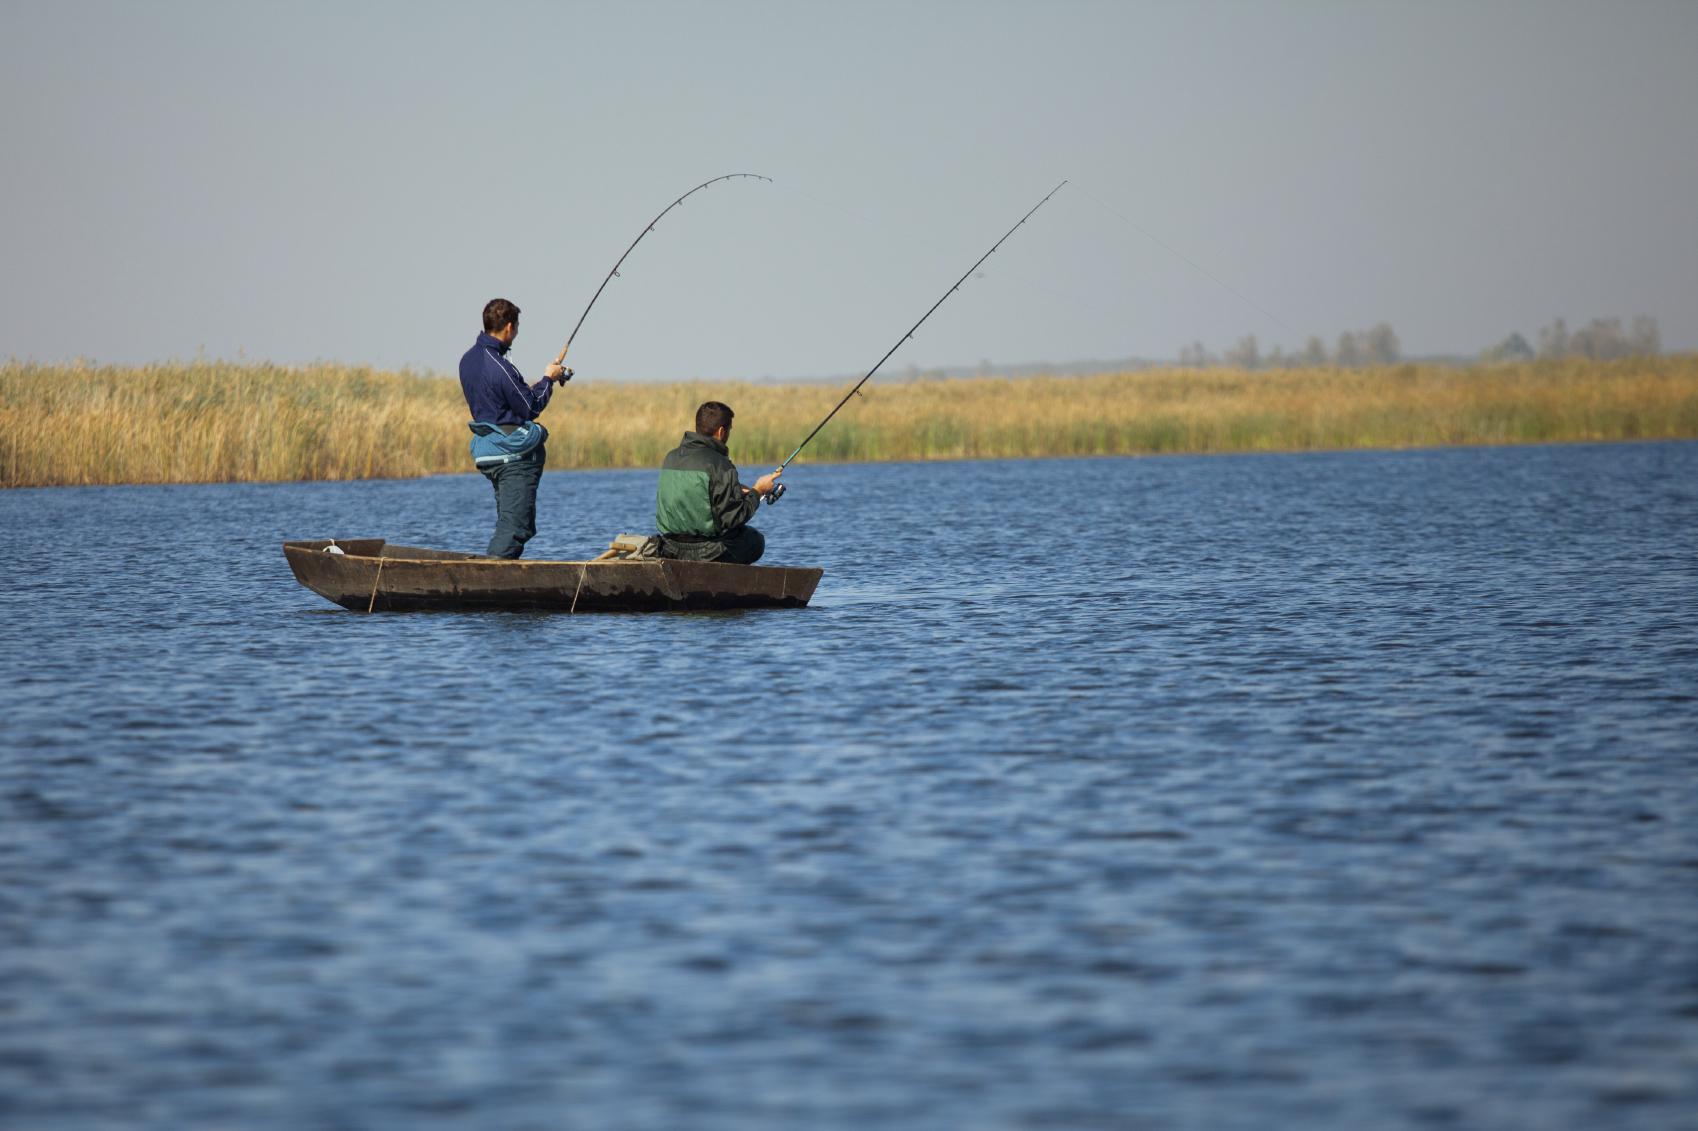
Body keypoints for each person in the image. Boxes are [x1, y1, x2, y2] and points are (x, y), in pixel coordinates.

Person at [458, 298, 571, 558]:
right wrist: (548, 379)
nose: (516, 334)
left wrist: (546, 381)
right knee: (516, 528)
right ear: (509, 328)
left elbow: (504, 403)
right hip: (512, 456)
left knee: (509, 523)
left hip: (489, 450)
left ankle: (492, 574)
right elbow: (530, 408)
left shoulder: (467, 360)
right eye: (517, 328)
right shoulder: (499, 365)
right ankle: (487, 579)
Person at [654, 401, 782, 564]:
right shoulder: (720, 464)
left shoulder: (670, 458)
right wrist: (757, 491)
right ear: (721, 431)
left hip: (669, 547)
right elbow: (733, 519)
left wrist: (737, 490)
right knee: (755, 540)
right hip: (705, 552)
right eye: (729, 430)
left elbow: (695, 491)